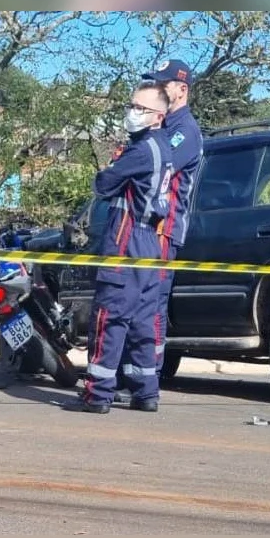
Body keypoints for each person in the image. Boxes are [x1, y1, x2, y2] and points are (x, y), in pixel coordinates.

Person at [67, 84, 174, 414]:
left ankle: (98, 393)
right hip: (149, 246)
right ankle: (146, 391)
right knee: (144, 322)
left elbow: (103, 184)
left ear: (158, 116)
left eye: (139, 107)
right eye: (131, 105)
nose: (132, 112)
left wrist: (113, 165)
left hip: (126, 243)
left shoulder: (140, 151)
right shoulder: (164, 148)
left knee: (109, 320)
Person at [139, 59, 203, 382]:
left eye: (162, 85)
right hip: (145, 230)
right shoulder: (163, 128)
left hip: (164, 231)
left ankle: (149, 378)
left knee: (152, 305)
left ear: (181, 89)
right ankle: (135, 376)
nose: (157, 91)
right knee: (138, 302)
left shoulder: (184, 131)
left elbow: (157, 165)